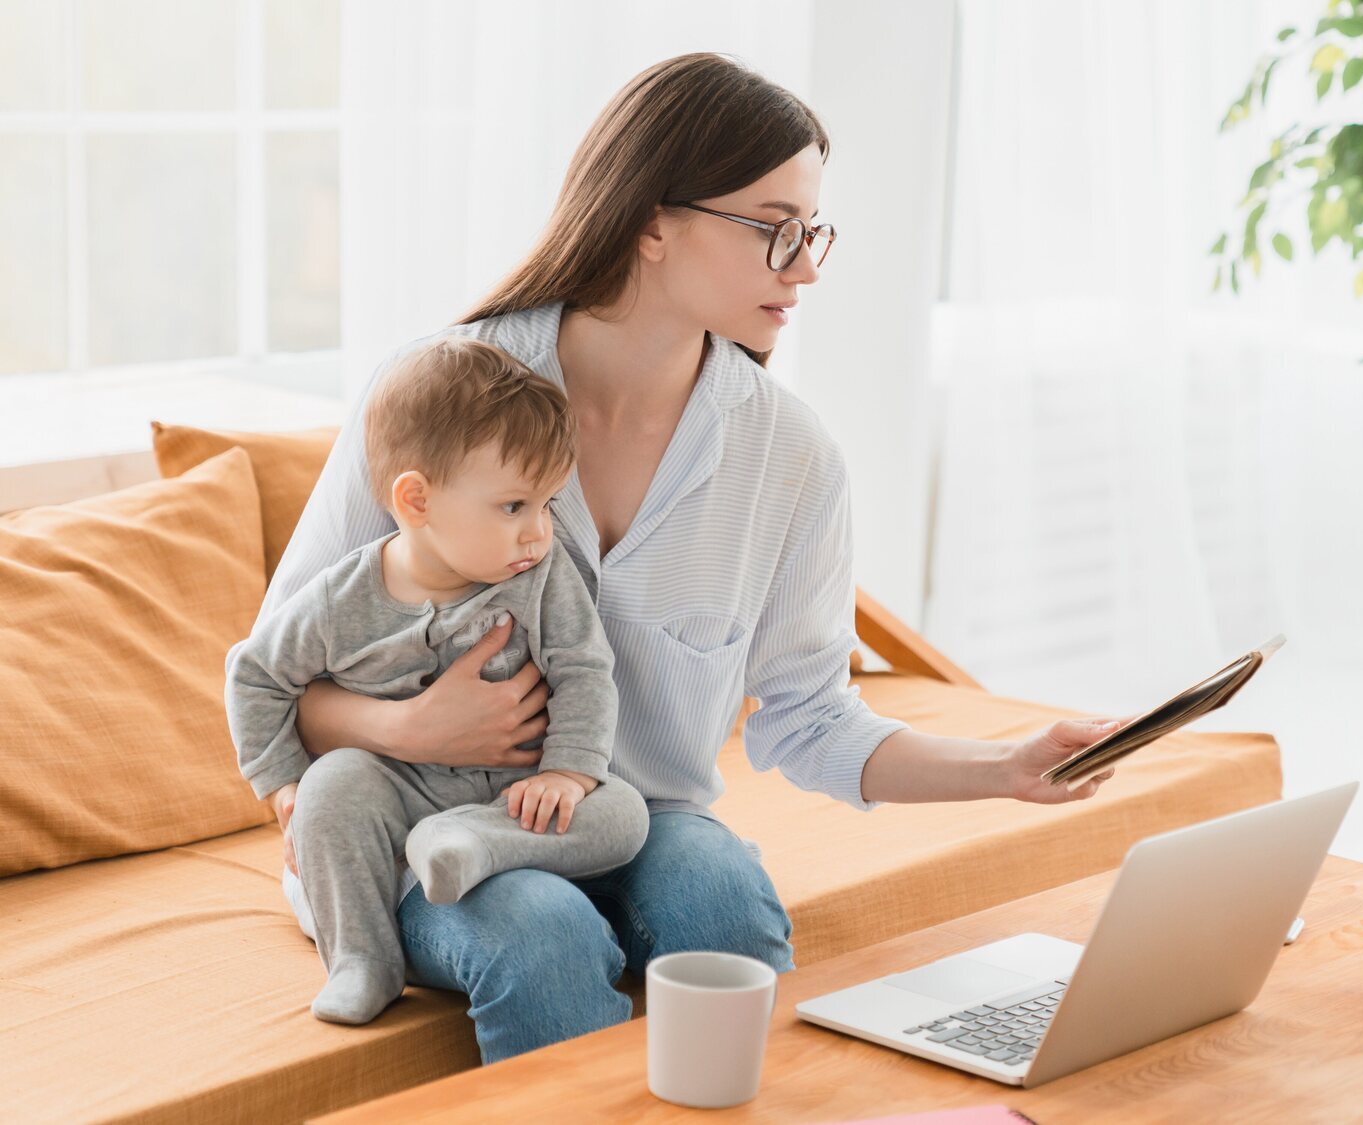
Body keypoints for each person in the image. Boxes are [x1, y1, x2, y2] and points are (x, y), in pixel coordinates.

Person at [258, 51, 1124, 1062]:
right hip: (419, 826)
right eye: (773, 230)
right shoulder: (435, 397)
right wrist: (409, 722)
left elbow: (809, 716)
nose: (803, 268)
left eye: (813, 235)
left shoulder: (790, 457)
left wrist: (1008, 768)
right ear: (650, 221)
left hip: (632, 822)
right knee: (540, 933)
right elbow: (277, 677)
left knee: (721, 894)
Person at [225, 335, 648, 1026]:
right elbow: (255, 675)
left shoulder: (540, 578)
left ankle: (474, 843)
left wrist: (568, 773)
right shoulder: (339, 599)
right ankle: (362, 959)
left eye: (547, 505)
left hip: (513, 803)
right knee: (333, 788)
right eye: (515, 507)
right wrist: (283, 785)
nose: (539, 533)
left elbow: (585, 669)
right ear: (416, 500)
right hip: (396, 795)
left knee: (624, 812)